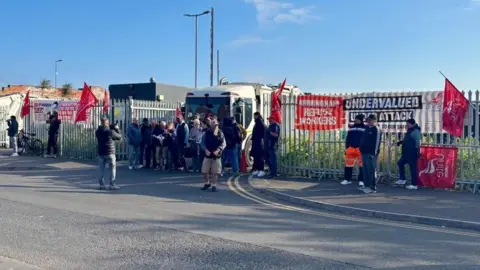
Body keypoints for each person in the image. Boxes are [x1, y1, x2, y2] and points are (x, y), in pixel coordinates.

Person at [95, 118, 122, 190]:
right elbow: (119, 137)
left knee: (101, 169)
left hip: (101, 153)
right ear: (107, 123)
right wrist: (117, 129)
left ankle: (101, 185)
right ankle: (112, 184)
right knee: (112, 169)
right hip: (110, 153)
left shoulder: (97, 131)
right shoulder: (110, 131)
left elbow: (102, 131)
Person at [395, 118, 422, 190]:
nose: (406, 125)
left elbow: (418, 142)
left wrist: (418, 152)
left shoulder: (416, 131)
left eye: (408, 124)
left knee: (413, 168)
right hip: (406, 153)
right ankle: (402, 179)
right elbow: (407, 140)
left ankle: (414, 184)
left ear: (412, 124)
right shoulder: (410, 130)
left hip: (412, 153)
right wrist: (401, 142)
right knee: (400, 163)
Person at [201, 117, 226, 192]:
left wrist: (218, 150)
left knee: (215, 172)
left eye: (216, 125)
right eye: (213, 125)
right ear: (211, 125)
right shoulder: (206, 133)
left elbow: (223, 143)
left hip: (216, 155)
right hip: (208, 154)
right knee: (205, 171)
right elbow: (202, 143)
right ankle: (207, 183)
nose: (215, 126)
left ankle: (214, 185)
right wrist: (205, 149)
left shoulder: (220, 133)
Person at [359, 114, 382, 194]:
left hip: (371, 154)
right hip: (364, 153)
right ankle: (366, 185)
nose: (368, 122)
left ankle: (372, 187)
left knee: (371, 170)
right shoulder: (367, 128)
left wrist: (374, 153)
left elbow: (376, 143)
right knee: (365, 170)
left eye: (370, 120)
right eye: (367, 120)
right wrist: (361, 150)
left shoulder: (376, 129)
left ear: (374, 121)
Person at [341, 114, 366, 186]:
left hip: (360, 149)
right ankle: (347, 179)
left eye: (358, 119)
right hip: (351, 148)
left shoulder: (365, 128)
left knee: (361, 166)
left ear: (361, 120)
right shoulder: (351, 128)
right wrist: (347, 148)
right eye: (356, 119)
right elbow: (348, 138)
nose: (356, 120)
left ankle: (361, 180)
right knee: (348, 165)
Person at [251, 112, 266, 177]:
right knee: (256, 156)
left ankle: (261, 170)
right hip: (256, 141)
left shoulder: (260, 122)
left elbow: (262, 132)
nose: (254, 117)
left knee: (260, 157)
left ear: (257, 115)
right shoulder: (257, 122)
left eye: (254, 116)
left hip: (259, 142)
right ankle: (257, 169)